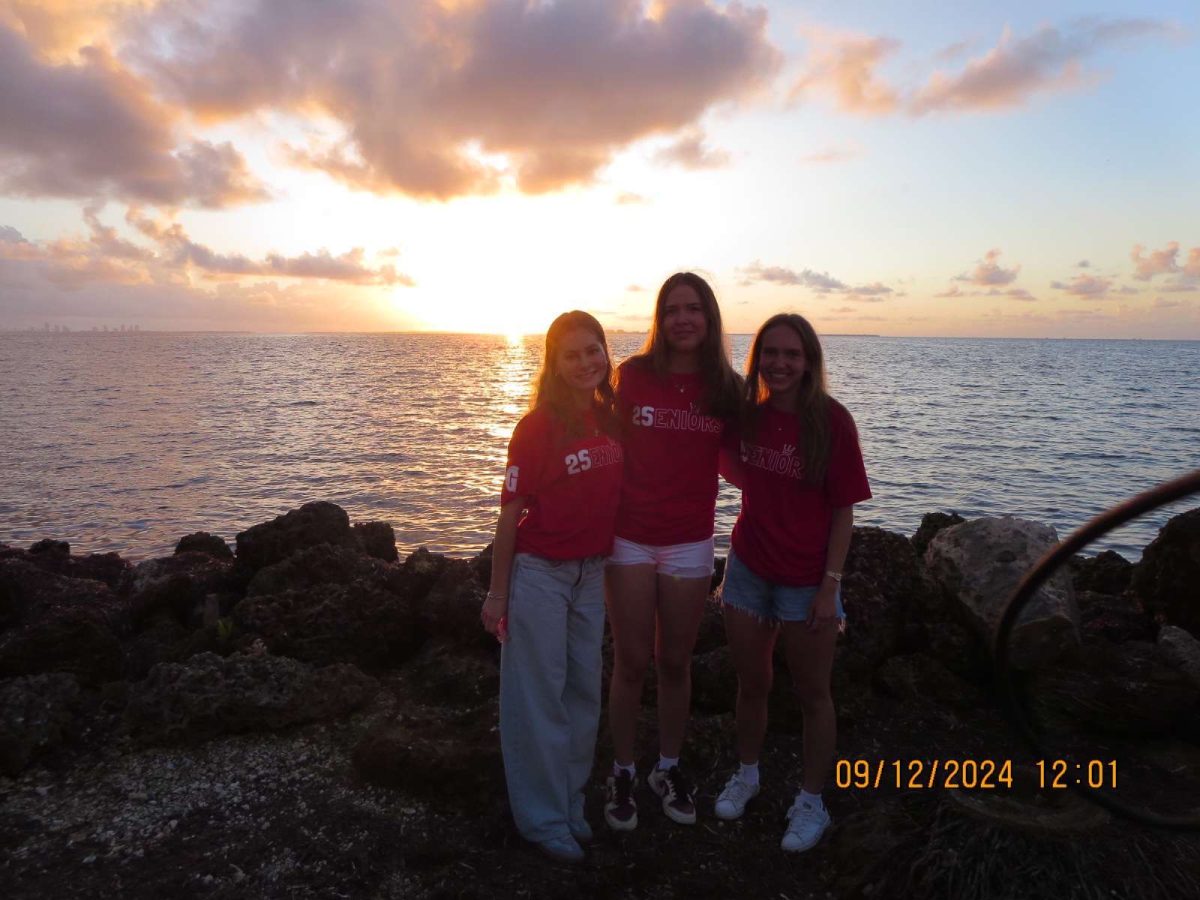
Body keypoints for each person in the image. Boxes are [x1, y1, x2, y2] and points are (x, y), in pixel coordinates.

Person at [711, 312, 871, 853]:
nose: (780, 363)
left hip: (807, 581)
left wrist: (830, 586)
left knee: (812, 695)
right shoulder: (747, 419)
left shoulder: (832, 422)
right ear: (758, 360)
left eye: (792, 354)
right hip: (748, 572)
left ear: (808, 362)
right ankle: (748, 774)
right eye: (771, 353)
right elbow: (728, 465)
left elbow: (844, 512)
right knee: (751, 684)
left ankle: (811, 801)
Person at [480, 311, 624, 863]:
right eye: (572, 354)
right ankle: (540, 820)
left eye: (594, 350)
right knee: (537, 700)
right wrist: (497, 594)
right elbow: (509, 514)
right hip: (540, 573)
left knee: (582, 696)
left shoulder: (612, 420)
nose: (586, 362)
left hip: (592, 573)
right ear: (554, 364)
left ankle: (569, 803)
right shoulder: (536, 427)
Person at [603, 272, 741, 830]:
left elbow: (747, 458)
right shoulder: (632, 376)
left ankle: (667, 767)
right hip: (630, 537)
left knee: (675, 662)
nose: (682, 319)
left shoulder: (727, 389)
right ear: (658, 321)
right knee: (632, 662)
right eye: (671, 310)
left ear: (709, 318)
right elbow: (600, 441)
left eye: (693, 308)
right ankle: (623, 771)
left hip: (689, 542)